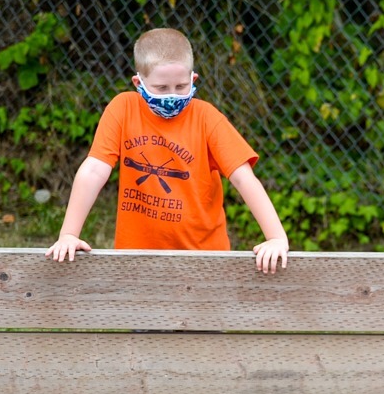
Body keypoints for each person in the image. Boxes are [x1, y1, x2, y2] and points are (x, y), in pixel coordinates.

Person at [45, 27, 289, 273]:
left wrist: (276, 237)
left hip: (205, 261)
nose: (172, 96)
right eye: (161, 88)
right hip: (135, 260)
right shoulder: (122, 109)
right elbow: (94, 170)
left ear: (193, 80)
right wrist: (68, 234)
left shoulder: (207, 118)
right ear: (138, 82)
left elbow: (243, 177)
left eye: (181, 86)